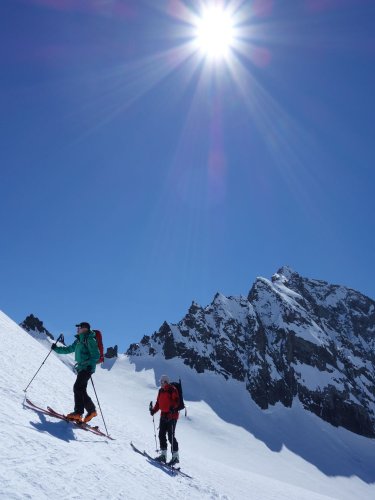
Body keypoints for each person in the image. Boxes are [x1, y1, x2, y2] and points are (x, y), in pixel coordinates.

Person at [52, 322, 99, 423]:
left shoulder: (89, 339)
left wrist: (89, 363)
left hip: (87, 368)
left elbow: (96, 355)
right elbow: (69, 349)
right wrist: (56, 349)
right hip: (82, 368)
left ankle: (78, 413)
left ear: (85, 329)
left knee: (77, 387)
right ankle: (91, 411)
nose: (77, 329)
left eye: (79, 327)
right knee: (81, 390)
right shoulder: (79, 340)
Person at [150, 374, 180, 466]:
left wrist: (172, 407)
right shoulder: (160, 391)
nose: (161, 383)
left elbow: (177, 401)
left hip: (172, 416)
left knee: (170, 436)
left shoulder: (172, 389)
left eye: (162, 382)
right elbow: (158, 403)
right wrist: (153, 410)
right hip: (163, 415)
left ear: (166, 382)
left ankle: (175, 457)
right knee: (161, 434)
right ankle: (163, 455)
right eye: (160, 382)